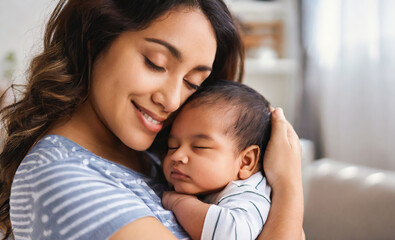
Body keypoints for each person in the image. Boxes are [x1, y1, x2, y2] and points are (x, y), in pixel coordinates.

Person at [0, 0, 304, 239]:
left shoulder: (157, 161)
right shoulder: (62, 178)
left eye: (192, 83)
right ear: (93, 38)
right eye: (155, 63)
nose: (171, 100)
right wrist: (289, 186)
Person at [161, 80, 272, 240]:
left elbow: (230, 234)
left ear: (246, 161)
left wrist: (179, 202)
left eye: (199, 147)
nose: (176, 156)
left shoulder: (248, 193)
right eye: (172, 146)